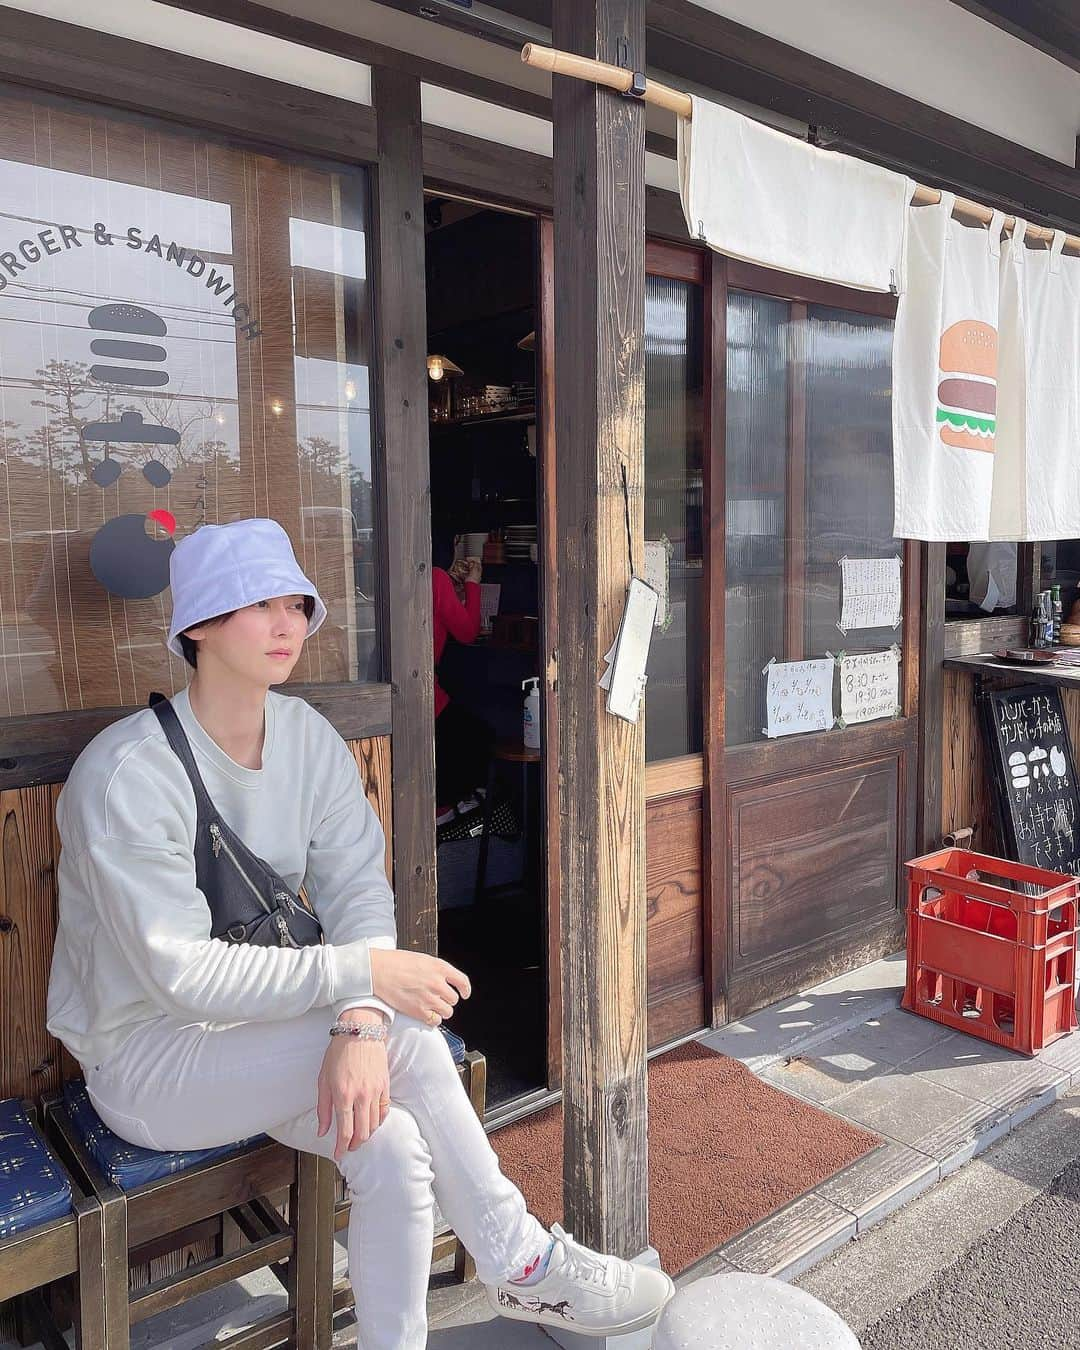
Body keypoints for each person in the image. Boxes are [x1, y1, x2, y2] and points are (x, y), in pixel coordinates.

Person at [45, 517, 674, 1349]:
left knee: (397, 1151)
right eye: (256, 604)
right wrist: (368, 990)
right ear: (195, 627)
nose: (286, 623)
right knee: (414, 1041)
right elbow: (181, 979)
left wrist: (359, 1021)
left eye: (296, 603)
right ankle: (521, 1262)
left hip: (271, 1037)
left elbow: (355, 892)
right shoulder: (128, 773)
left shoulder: (307, 738)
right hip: (149, 1061)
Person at [431, 528, 495, 825]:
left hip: (420, 689)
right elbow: (468, 632)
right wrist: (473, 584)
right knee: (475, 736)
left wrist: (452, 584)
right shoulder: (435, 578)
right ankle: (445, 809)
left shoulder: (422, 575)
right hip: (426, 693)